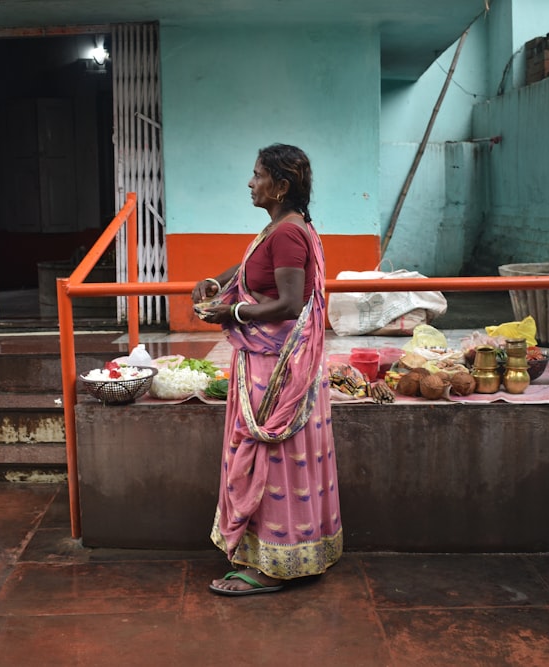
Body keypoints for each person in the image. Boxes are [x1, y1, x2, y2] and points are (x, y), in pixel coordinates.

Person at [191, 143, 342, 596]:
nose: (250, 182)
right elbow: (253, 268)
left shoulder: (288, 234)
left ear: (280, 185)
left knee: (271, 461)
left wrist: (231, 313)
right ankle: (284, 551)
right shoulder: (279, 228)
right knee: (275, 461)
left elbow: (290, 304)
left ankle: (273, 566)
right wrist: (217, 282)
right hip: (272, 365)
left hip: (276, 371)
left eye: (257, 175)